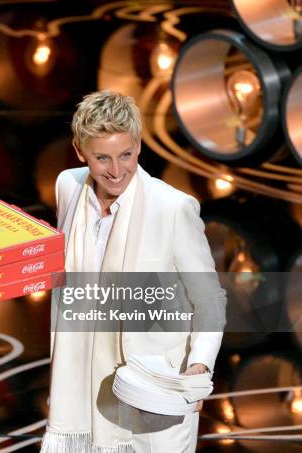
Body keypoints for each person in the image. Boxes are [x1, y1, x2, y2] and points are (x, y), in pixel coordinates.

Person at [41, 90, 226, 452]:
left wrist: (200, 366)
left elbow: (210, 298)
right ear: (80, 152)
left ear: (139, 145)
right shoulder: (68, 185)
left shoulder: (173, 208)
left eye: (126, 154)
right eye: (102, 158)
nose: (116, 170)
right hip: (79, 388)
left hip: (156, 389)